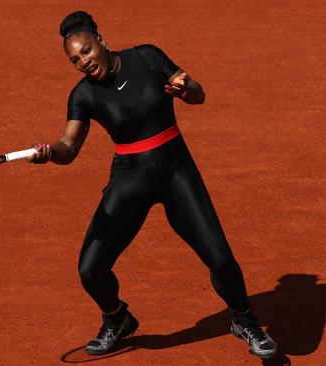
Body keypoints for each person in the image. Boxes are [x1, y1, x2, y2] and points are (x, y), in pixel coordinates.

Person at [28, 10, 277, 359]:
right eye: (74, 59)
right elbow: (68, 147)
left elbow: (197, 94)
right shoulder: (83, 95)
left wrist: (184, 88)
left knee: (221, 259)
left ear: (101, 41)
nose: (82, 62)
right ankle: (118, 318)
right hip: (129, 180)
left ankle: (244, 320)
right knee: (90, 269)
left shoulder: (146, 56)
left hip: (177, 171)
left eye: (85, 51)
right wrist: (49, 153)